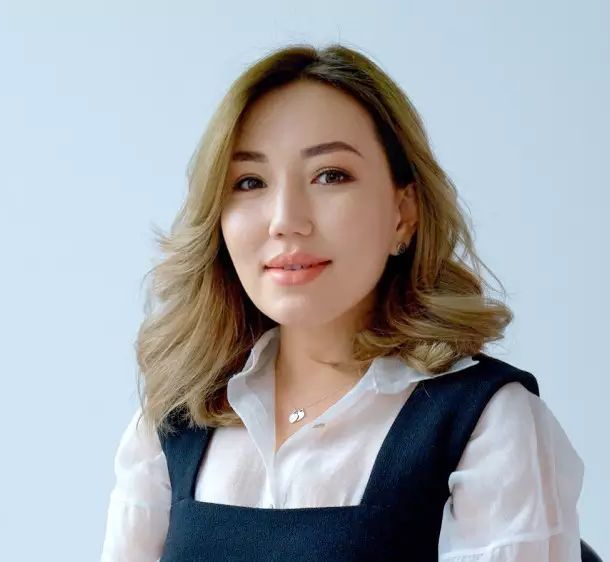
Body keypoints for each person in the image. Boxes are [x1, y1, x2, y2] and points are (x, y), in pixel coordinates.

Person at [100, 44, 584, 561]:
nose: (285, 220)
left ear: (403, 213)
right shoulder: (172, 423)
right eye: (249, 182)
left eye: (330, 175)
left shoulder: (487, 422)